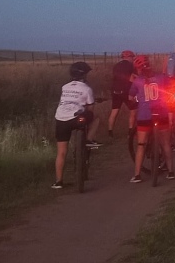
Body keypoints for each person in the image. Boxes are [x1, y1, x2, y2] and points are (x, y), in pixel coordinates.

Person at [52, 61, 104, 189]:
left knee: (61, 152)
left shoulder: (65, 87)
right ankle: (89, 139)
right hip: (76, 118)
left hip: (60, 118)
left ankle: (58, 182)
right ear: (84, 75)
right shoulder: (87, 89)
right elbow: (90, 109)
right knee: (96, 118)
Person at [129, 55, 175, 183]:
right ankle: (170, 172)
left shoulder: (137, 81)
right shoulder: (161, 77)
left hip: (144, 116)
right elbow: (170, 90)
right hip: (161, 114)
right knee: (165, 144)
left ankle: (137, 175)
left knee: (141, 145)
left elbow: (130, 97)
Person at [107, 50, 138, 153]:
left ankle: (110, 132)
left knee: (114, 111)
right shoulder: (131, 66)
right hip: (126, 91)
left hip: (115, 91)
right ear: (129, 57)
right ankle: (130, 132)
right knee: (133, 110)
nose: (133, 59)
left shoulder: (116, 66)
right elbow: (132, 78)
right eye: (132, 57)